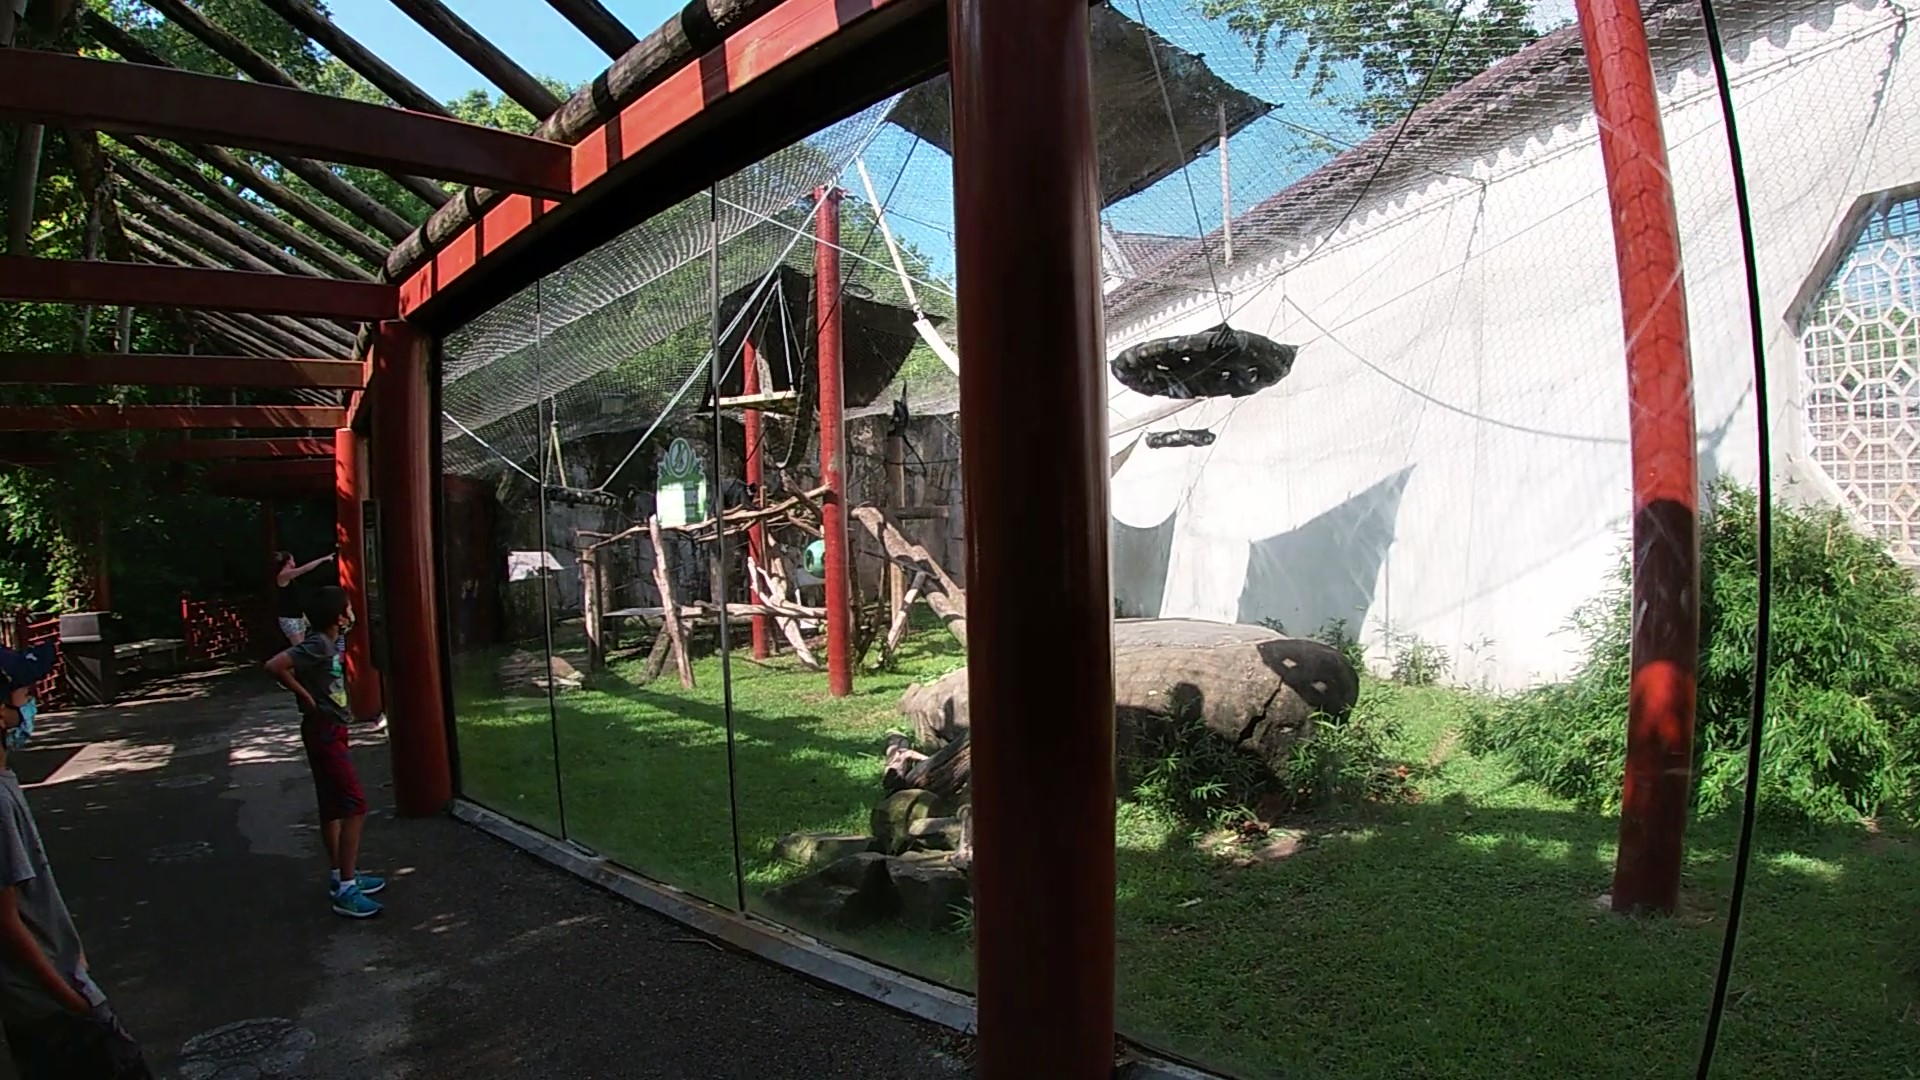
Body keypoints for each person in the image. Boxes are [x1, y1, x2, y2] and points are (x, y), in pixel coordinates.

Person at [0, 644, 152, 1079]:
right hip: (47, 1000)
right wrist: (71, 997)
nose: (32, 705)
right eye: (25, 695)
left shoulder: (7, 783)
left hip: (51, 982)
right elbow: (6, 921)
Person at [264, 587, 385, 919]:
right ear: (338, 616)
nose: (352, 613)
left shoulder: (331, 642)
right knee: (354, 805)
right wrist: (305, 697)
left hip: (332, 729)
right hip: (323, 731)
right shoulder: (318, 643)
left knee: (332, 807)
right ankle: (346, 889)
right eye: (348, 608)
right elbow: (275, 665)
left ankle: (339, 875)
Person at [273, 549, 334, 646]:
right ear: (288, 562)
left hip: (297, 616)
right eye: (292, 560)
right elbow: (304, 569)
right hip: (289, 618)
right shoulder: (283, 575)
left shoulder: (289, 577)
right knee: (300, 648)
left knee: (303, 646)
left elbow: (293, 599)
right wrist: (323, 559)